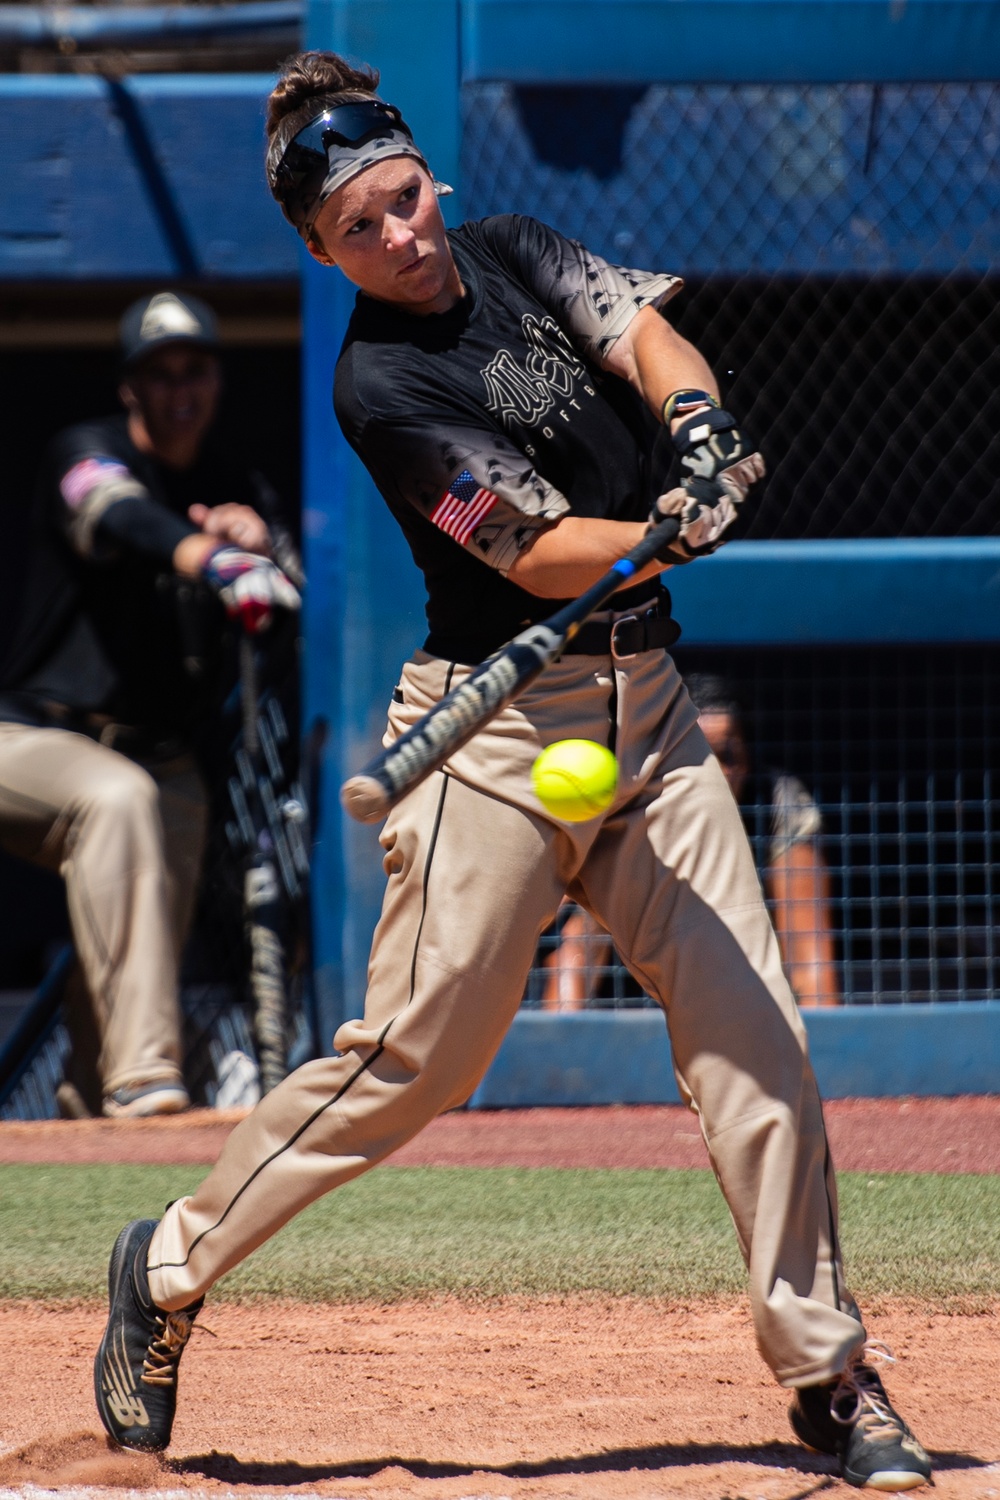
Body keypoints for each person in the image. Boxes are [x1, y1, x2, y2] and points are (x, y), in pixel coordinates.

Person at [92, 53, 931, 1491]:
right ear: (320, 249)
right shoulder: (380, 386)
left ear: (435, 179)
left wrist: (698, 434)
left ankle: (827, 1371)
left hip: (648, 716)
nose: (401, 236)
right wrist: (663, 530)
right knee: (419, 1064)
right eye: (361, 227)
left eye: (407, 200)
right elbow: (532, 550)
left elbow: (650, 336)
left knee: (756, 1039)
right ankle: (165, 1265)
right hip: (497, 737)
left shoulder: (516, 252)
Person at [0, 291, 300, 1119]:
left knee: (156, 823)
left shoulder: (232, 483)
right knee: (119, 798)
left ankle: (95, 1096)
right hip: (27, 738)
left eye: (194, 369)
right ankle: (146, 1082)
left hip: (159, 754)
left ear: (216, 377)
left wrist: (260, 547)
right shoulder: (86, 448)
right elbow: (114, 512)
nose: (178, 389)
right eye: (159, 373)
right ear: (130, 386)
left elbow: (291, 605)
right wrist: (205, 553)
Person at [543, 672, 841, 1009]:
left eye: (726, 756)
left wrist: (828, 1051)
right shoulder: (632, 807)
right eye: (698, 757)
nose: (714, 773)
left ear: (748, 761)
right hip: (637, 997)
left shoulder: (777, 802)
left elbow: (810, 958)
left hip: (746, 1000)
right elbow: (577, 947)